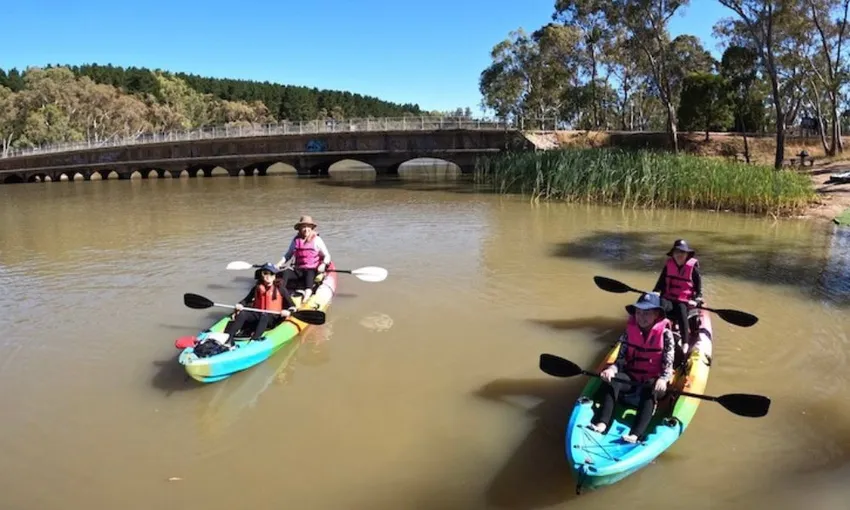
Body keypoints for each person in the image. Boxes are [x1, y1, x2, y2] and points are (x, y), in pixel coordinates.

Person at [589, 292, 675, 444]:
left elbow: (668, 365)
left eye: (647, 313)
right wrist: (611, 370)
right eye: (639, 312)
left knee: (650, 387)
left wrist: (663, 379)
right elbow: (620, 360)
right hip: (632, 378)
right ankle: (602, 423)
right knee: (614, 380)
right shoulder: (629, 332)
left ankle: (635, 434)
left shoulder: (666, 335)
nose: (642, 317)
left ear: (656, 314)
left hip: (653, 380)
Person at [221, 263, 297, 347]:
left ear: (274, 277)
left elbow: (292, 306)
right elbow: (246, 300)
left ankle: (255, 339)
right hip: (258, 315)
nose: (268, 277)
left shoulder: (280, 289)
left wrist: (288, 311)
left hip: (272, 318)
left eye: (271, 274)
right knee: (243, 313)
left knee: (264, 315)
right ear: (262, 275)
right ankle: (229, 338)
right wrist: (240, 305)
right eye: (265, 273)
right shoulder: (257, 288)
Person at [652, 239, 702, 347]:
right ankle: (655, 334)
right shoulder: (668, 266)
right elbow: (659, 285)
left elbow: (699, 292)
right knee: (661, 306)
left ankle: (685, 343)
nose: (679, 255)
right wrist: (655, 293)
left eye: (682, 252)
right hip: (668, 298)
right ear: (673, 254)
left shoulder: (693, 269)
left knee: (681, 308)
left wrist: (696, 300)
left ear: (687, 254)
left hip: (684, 300)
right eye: (677, 252)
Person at [275, 215, 331, 301]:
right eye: (303, 227)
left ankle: (306, 298)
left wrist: (323, 264)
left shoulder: (317, 240)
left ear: (312, 228)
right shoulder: (296, 240)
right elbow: (288, 255)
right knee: (285, 272)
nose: (306, 229)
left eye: (308, 227)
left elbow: (327, 256)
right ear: (299, 228)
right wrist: (279, 264)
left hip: (311, 269)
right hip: (298, 269)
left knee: (309, 275)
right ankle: (280, 293)